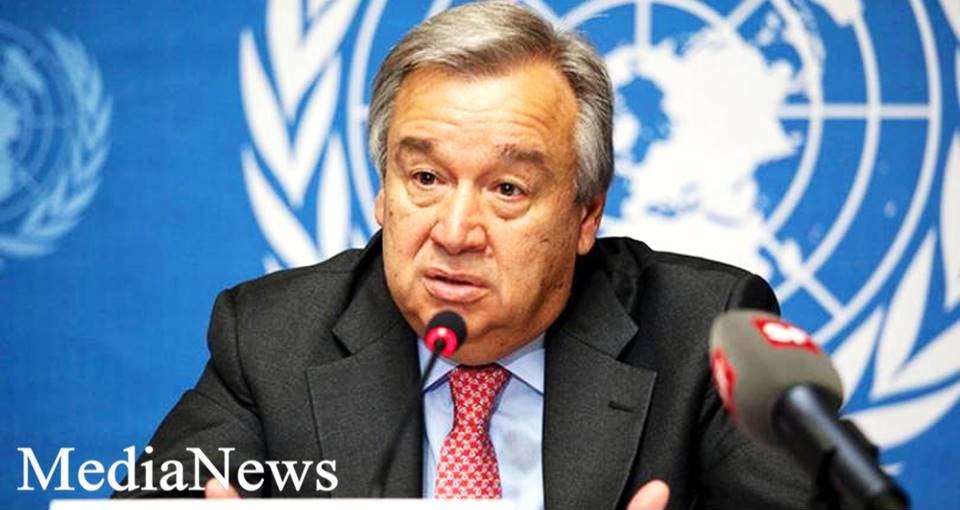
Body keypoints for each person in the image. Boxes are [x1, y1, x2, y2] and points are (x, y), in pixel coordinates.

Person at [115, 2, 812, 508]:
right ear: (383, 190)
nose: (454, 232)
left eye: (507, 189)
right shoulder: (274, 339)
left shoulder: (705, 335)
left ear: (585, 214)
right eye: (425, 178)